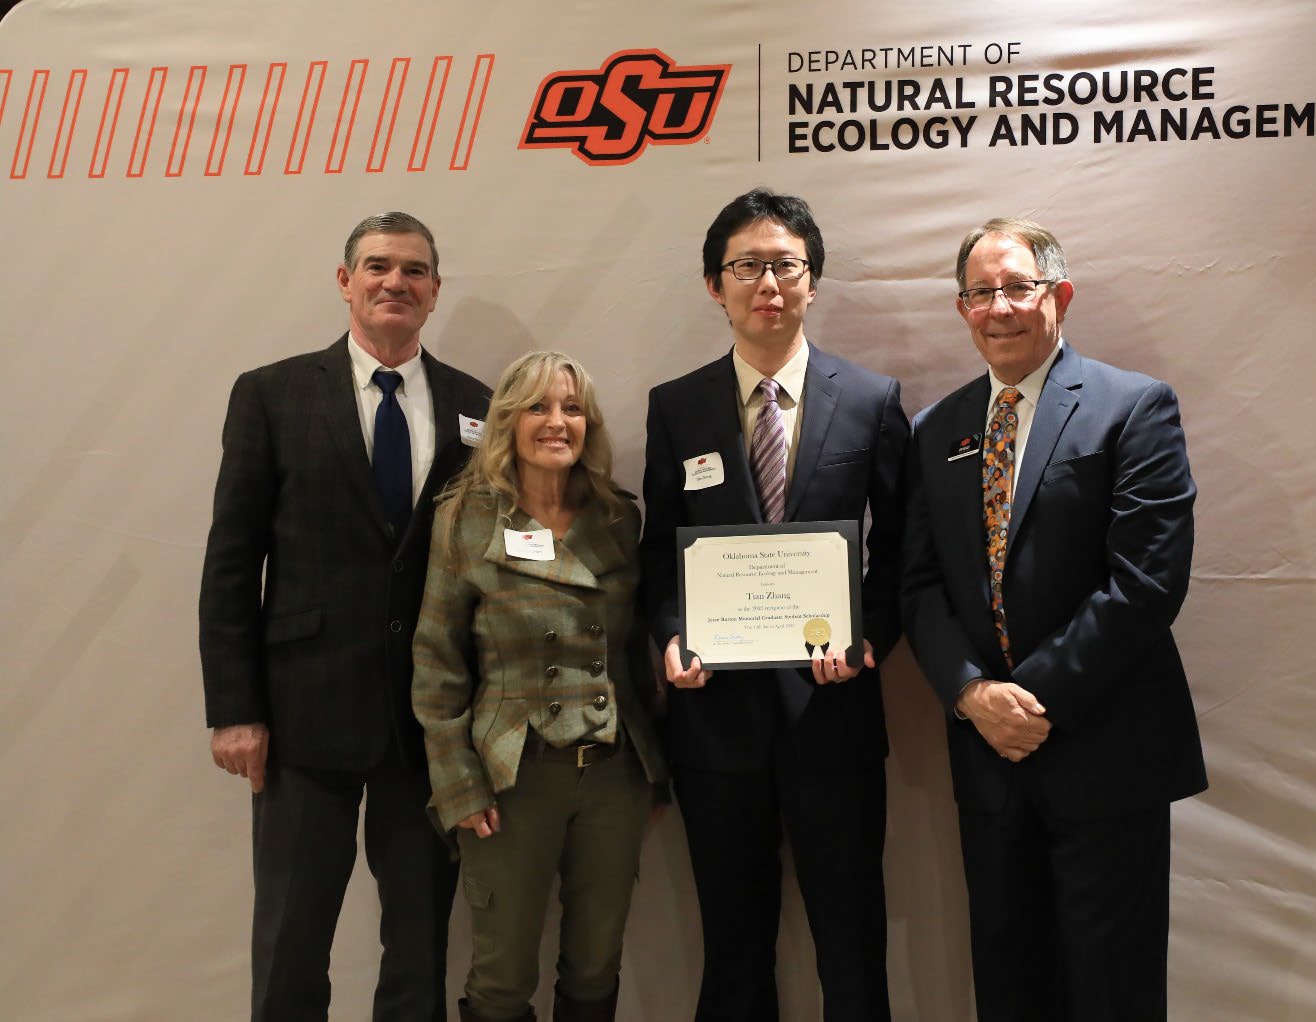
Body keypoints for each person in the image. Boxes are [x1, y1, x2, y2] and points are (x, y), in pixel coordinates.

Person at [901, 216, 1207, 1021]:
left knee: (1112, 987)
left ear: (1059, 295)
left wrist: (1027, 700)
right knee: (1007, 981)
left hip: (1104, 751)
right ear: (961, 307)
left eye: (1017, 287)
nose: (998, 307)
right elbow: (919, 585)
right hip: (989, 760)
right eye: (979, 292)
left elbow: (1147, 582)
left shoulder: (1134, 407)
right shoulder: (936, 430)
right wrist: (972, 695)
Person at [198, 211, 492, 1021]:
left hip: (432, 723)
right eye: (377, 266)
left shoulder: (479, 405)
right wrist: (236, 710)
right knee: (292, 938)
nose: (395, 282)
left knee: (421, 943)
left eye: (414, 270)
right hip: (301, 718)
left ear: (435, 291)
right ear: (345, 281)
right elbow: (231, 564)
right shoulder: (272, 394)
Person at [640, 188, 908, 1022]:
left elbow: (902, 553)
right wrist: (672, 639)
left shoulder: (871, 399)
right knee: (733, 948)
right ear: (714, 287)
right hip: (716, 723)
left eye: (784, 265)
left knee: (853, 943)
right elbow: (659, 551)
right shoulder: (675, 406)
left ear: (812, 280)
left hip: (834, 714)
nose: (768, 283)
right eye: (746, 266)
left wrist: (870, 642)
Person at [412, 351, 669, 1022]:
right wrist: (456, 782)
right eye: (538, 406)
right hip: (510, 779)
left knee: (595, 967)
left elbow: (634, 657)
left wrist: (654, 770)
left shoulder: (617, 517)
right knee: (501, 978)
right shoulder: (466, 516)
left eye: (573, 408)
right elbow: (437, 661)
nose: (557, 422)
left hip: (613, 774)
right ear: (508, 421)